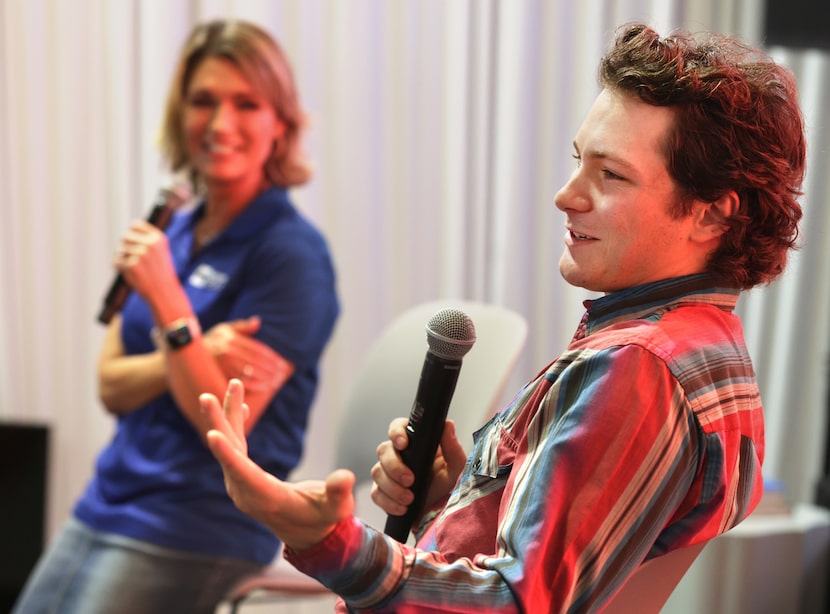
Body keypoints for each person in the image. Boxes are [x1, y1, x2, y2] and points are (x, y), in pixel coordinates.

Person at [200, 22, 805, 613]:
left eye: (611, 174)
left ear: (710, 215)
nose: (567, 196)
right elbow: (578, 559)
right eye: (578, 161)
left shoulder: (639, 369)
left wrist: (326, 540)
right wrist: (464, 497)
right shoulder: (712, 346)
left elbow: (517, 601)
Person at [13, 19, 339, 614]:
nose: (220, 124)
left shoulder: (292, 255)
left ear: (280, 125)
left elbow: (224, 431)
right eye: (203, 101)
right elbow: (110, 386)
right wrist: (192, 348)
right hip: (108, 501)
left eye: (246, 103)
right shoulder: (174, 228)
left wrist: (168, 303)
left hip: (197, 525)